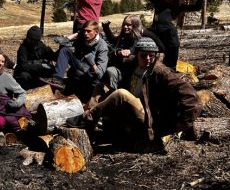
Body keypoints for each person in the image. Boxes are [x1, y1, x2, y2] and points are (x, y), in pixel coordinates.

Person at [67, 37, 201, 152]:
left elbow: (191, 98)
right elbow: (112, 57)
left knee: (121, 94)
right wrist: (119, 52)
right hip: (131, 111)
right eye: (143, 55)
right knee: (101, 87)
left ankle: (86, 119)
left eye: (152, 55)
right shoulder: (133, 63)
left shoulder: (160, 71)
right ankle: (89, 127)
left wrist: (179, 124)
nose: (148, 59)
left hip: (147, 117)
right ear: (137, 55)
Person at [142, 0, 203, 70]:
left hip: (169, 36)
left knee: (171, 57)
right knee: (142, 36)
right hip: (155, 33)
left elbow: (197, 7)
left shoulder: (178, 7)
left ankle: (170, 71)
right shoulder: (158, 2)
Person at [46, 21, 109, 103]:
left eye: (89, 31)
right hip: (79, 67)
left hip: (90, 74)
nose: (85, 33)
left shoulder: (102, 45)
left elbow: (100, 73)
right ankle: (57, 79)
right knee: (65, 50)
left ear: (96, 32)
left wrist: (92, 63)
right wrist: (77, 34)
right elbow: (63, 43)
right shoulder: (82, 39)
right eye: (84, 31)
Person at [101, 15, 165, 91]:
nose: (125, 27)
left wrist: (132, 52)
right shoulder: (124, 36)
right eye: (124, 24)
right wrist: (106, 28)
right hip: (120, 69)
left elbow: (161, 48)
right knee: (110, 71)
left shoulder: (142, 37)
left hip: (133, 71)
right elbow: (114, 41)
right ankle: (114, 96)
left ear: (135, 25)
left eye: (128, 25)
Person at [13, 25, 56, 90]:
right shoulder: (23, 48)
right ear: (28, 38)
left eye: (36, 40)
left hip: (37, 74)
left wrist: (61, 49)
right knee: (24, 76)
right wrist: (40, 65)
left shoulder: (41, 45)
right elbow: (24, 66)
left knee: (51, 70)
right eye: (33, 40)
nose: (34, 42)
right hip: (25, 75)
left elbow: (52, 56)